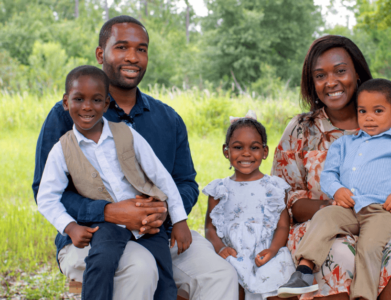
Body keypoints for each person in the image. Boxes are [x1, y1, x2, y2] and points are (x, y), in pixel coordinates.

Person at [32, 15, 238, 300]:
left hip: (158, 232)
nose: (133, 57)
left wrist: (160, 213)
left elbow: (185, 182)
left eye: (141, 49)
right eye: (122, 47)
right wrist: (107, 211)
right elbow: (44, 191)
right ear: (100, 54)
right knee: (140, 268)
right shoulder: (69, 114)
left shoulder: (168, 119)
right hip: (92, 237)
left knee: (220, 275)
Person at [271, 35, 391, 300]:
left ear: (357, 74)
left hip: (385, 219)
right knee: (339, 254)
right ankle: (304, 275)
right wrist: (332, 206)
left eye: (340, 71)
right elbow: (283, 194)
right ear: (312, 83)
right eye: (320, 75)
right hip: (325, 224)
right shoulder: (301, 130)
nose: (331, 82)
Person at [36, 65, 192, 299]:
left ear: (107, 104)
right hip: (106, 224)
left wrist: (179, 220)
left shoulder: (127, 134)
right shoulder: (62, 149)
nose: (87, 106)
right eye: (79, 99)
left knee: (164, 276)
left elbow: (161, 176)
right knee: (101, 263)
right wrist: (70, 226)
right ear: (66, 103)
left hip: (145, 223)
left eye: (96, 100)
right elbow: (46, 196)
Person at [203, 113, 296, 300]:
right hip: (233, 253)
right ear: (226, 151)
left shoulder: (274, 187)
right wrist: (220, 248)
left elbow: (283, 225)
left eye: (254, 148)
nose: (246, 153)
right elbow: (209, 227)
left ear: (265, 152)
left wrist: (273, 249)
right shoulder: (219, 189)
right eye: (238, 147)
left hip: (267, 252)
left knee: (275, 285)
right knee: (230, 284)